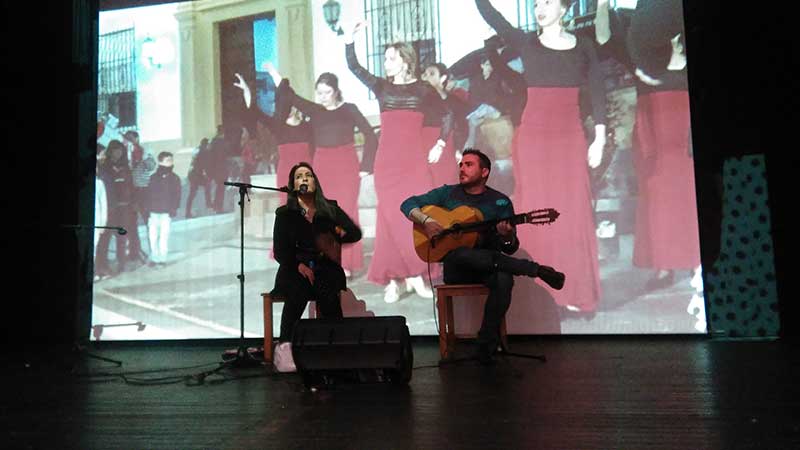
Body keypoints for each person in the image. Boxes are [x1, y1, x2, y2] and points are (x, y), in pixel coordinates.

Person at [476, 0, 607, 314]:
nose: (540, 7)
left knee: (572, 208)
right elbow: (491, 14)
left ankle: (572, 288)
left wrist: (599, 138)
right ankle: (538, 289)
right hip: (534, 137)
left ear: (564, 8)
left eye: (547, 2)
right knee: (535, 211)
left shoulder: (584, 46)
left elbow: (599, 89)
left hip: (569, 135)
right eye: (536, 3)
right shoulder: (525, 41)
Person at [401, 149, 564, 364]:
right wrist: (426, 221)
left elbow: (509, 248)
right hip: (458, 268)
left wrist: (506, 236)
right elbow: (407, 204)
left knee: (503, 278)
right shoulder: (447, 193)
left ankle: (485, 345)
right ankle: (534, 269)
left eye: (469, 165)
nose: (462, 168)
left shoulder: (500, 202)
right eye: (461, 164)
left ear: (484, 171)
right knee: (462, 253)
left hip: (489, 266)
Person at [594, 0, 701, 292]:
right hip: (654, 140)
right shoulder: (641, 57)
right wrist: (602, 5)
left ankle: (697, 263)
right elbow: (603, 38)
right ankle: (663, 266)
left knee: (694, 200)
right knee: (657, 204)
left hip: (687, 139)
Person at [345, 20, 453, 303]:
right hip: (387, 165)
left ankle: (395, 280)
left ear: (406, 61)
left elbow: (447, 115)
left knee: (409, 216)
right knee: (393, 216)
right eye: (384, 59)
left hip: (414, 163)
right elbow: (354, 67)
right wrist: (348, 38)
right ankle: (414, 274)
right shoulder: (381, 87)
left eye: (391, 58)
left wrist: (440, 144)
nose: (386, 63)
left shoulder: (423, 90)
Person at [264, 66, 378, 276]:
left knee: (346, 212)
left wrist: (365, 168)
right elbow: (292, 97)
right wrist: (277, 77)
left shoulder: (349, 109)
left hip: (346, 165)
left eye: (327, 92)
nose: (323, 97)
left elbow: (371, 136)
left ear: (336, 90)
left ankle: (346, 263)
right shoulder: (315, 111)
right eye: (319, 93)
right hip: (323, 166)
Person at [271, 162, 362, 342]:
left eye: (308, 175)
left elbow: (354, 233)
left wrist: (334, 234)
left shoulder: (329, 209)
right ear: (293, 186)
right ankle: (287, 346)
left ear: (315, 182)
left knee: (327, 292)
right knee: (298, 290)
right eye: (299, 177)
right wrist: (299, 266)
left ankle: (335, 346)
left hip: (324, 268)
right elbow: (280, 251)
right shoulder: (284, 214)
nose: (304, 178)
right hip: (294, 268)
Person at [234, 71, 313, 205]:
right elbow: (254, 110)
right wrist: (246, 91)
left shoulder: (309, 127)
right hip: (286, 174)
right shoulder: (278, 126)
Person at [420, 62, 470, 186]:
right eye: (425, 74)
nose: (427, 77)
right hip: (423, 146)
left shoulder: (453, 100)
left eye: (432, 74)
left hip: (446, 146)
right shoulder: (421, 100)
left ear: (442, 78)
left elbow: (462, 126)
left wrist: (458, 148)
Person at [95, 140, 134, 277]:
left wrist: (131, 202)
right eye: (115, 150)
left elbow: (131, 185)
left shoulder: (125, 167)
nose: (118, 153)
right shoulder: (104, 167)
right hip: (110, 208)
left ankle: (121, 262)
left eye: (120, 150)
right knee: (105, 238)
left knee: (122, 237)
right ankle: (102, 264)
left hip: (124, 208)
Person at [124, 130, 155, 264]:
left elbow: (151, 166)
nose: (129, 141)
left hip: (143, 191)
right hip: (129, 192)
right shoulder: (124, 153)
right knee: (131, 224)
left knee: (149, 222)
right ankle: (134, 251)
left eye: (131, 139)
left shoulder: (145, 151)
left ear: (137, 138)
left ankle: (154, 251)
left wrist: (143, 158)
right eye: (127, 139)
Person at [146, 152, 181, 267]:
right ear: (160, 162)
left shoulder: (175, 178)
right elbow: (148, 194)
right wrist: (147, 210)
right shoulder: (153, 177)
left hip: (166, 213)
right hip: (153, 212)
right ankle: (155, 258)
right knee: (153, 237)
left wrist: (174, 208)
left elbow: (177, 195)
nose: (170, 162)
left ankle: (162, 259)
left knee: (164, 237)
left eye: (171, 160)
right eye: (167, 160)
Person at [185, 138, 213, 218]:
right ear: (206, 144)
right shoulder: (205, 152)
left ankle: (188, 212)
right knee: (205, 186)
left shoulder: (197, 150)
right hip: (197, 175)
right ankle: (209, 204)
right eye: (209, 145)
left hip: (193, 174)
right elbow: (204, 166)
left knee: (192, 193)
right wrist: (206, 175)